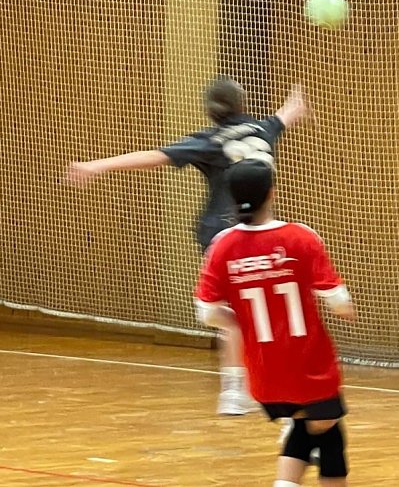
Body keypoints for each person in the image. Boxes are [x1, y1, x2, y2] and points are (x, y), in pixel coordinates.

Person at [66, 78, 311, 416]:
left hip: (220, 231)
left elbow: (154, 157)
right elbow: (288, 114)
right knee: (264, 308)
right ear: (242, 103)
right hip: (261, 232)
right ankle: (272, 384)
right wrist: (295, 98)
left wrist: (97, 165)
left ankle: (234, 392)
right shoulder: (263, 128)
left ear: (211, 112)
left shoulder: (208, 141)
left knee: (234, 313)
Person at [195, 159, 356, 486]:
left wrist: (241, 322)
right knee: (326, 431)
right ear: (272, 192)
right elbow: (339, 302)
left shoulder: (222, 246)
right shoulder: (300, 237)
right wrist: (346, 307)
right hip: (310, 365)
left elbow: (207, 312)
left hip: (264, 372)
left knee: (313, 427)